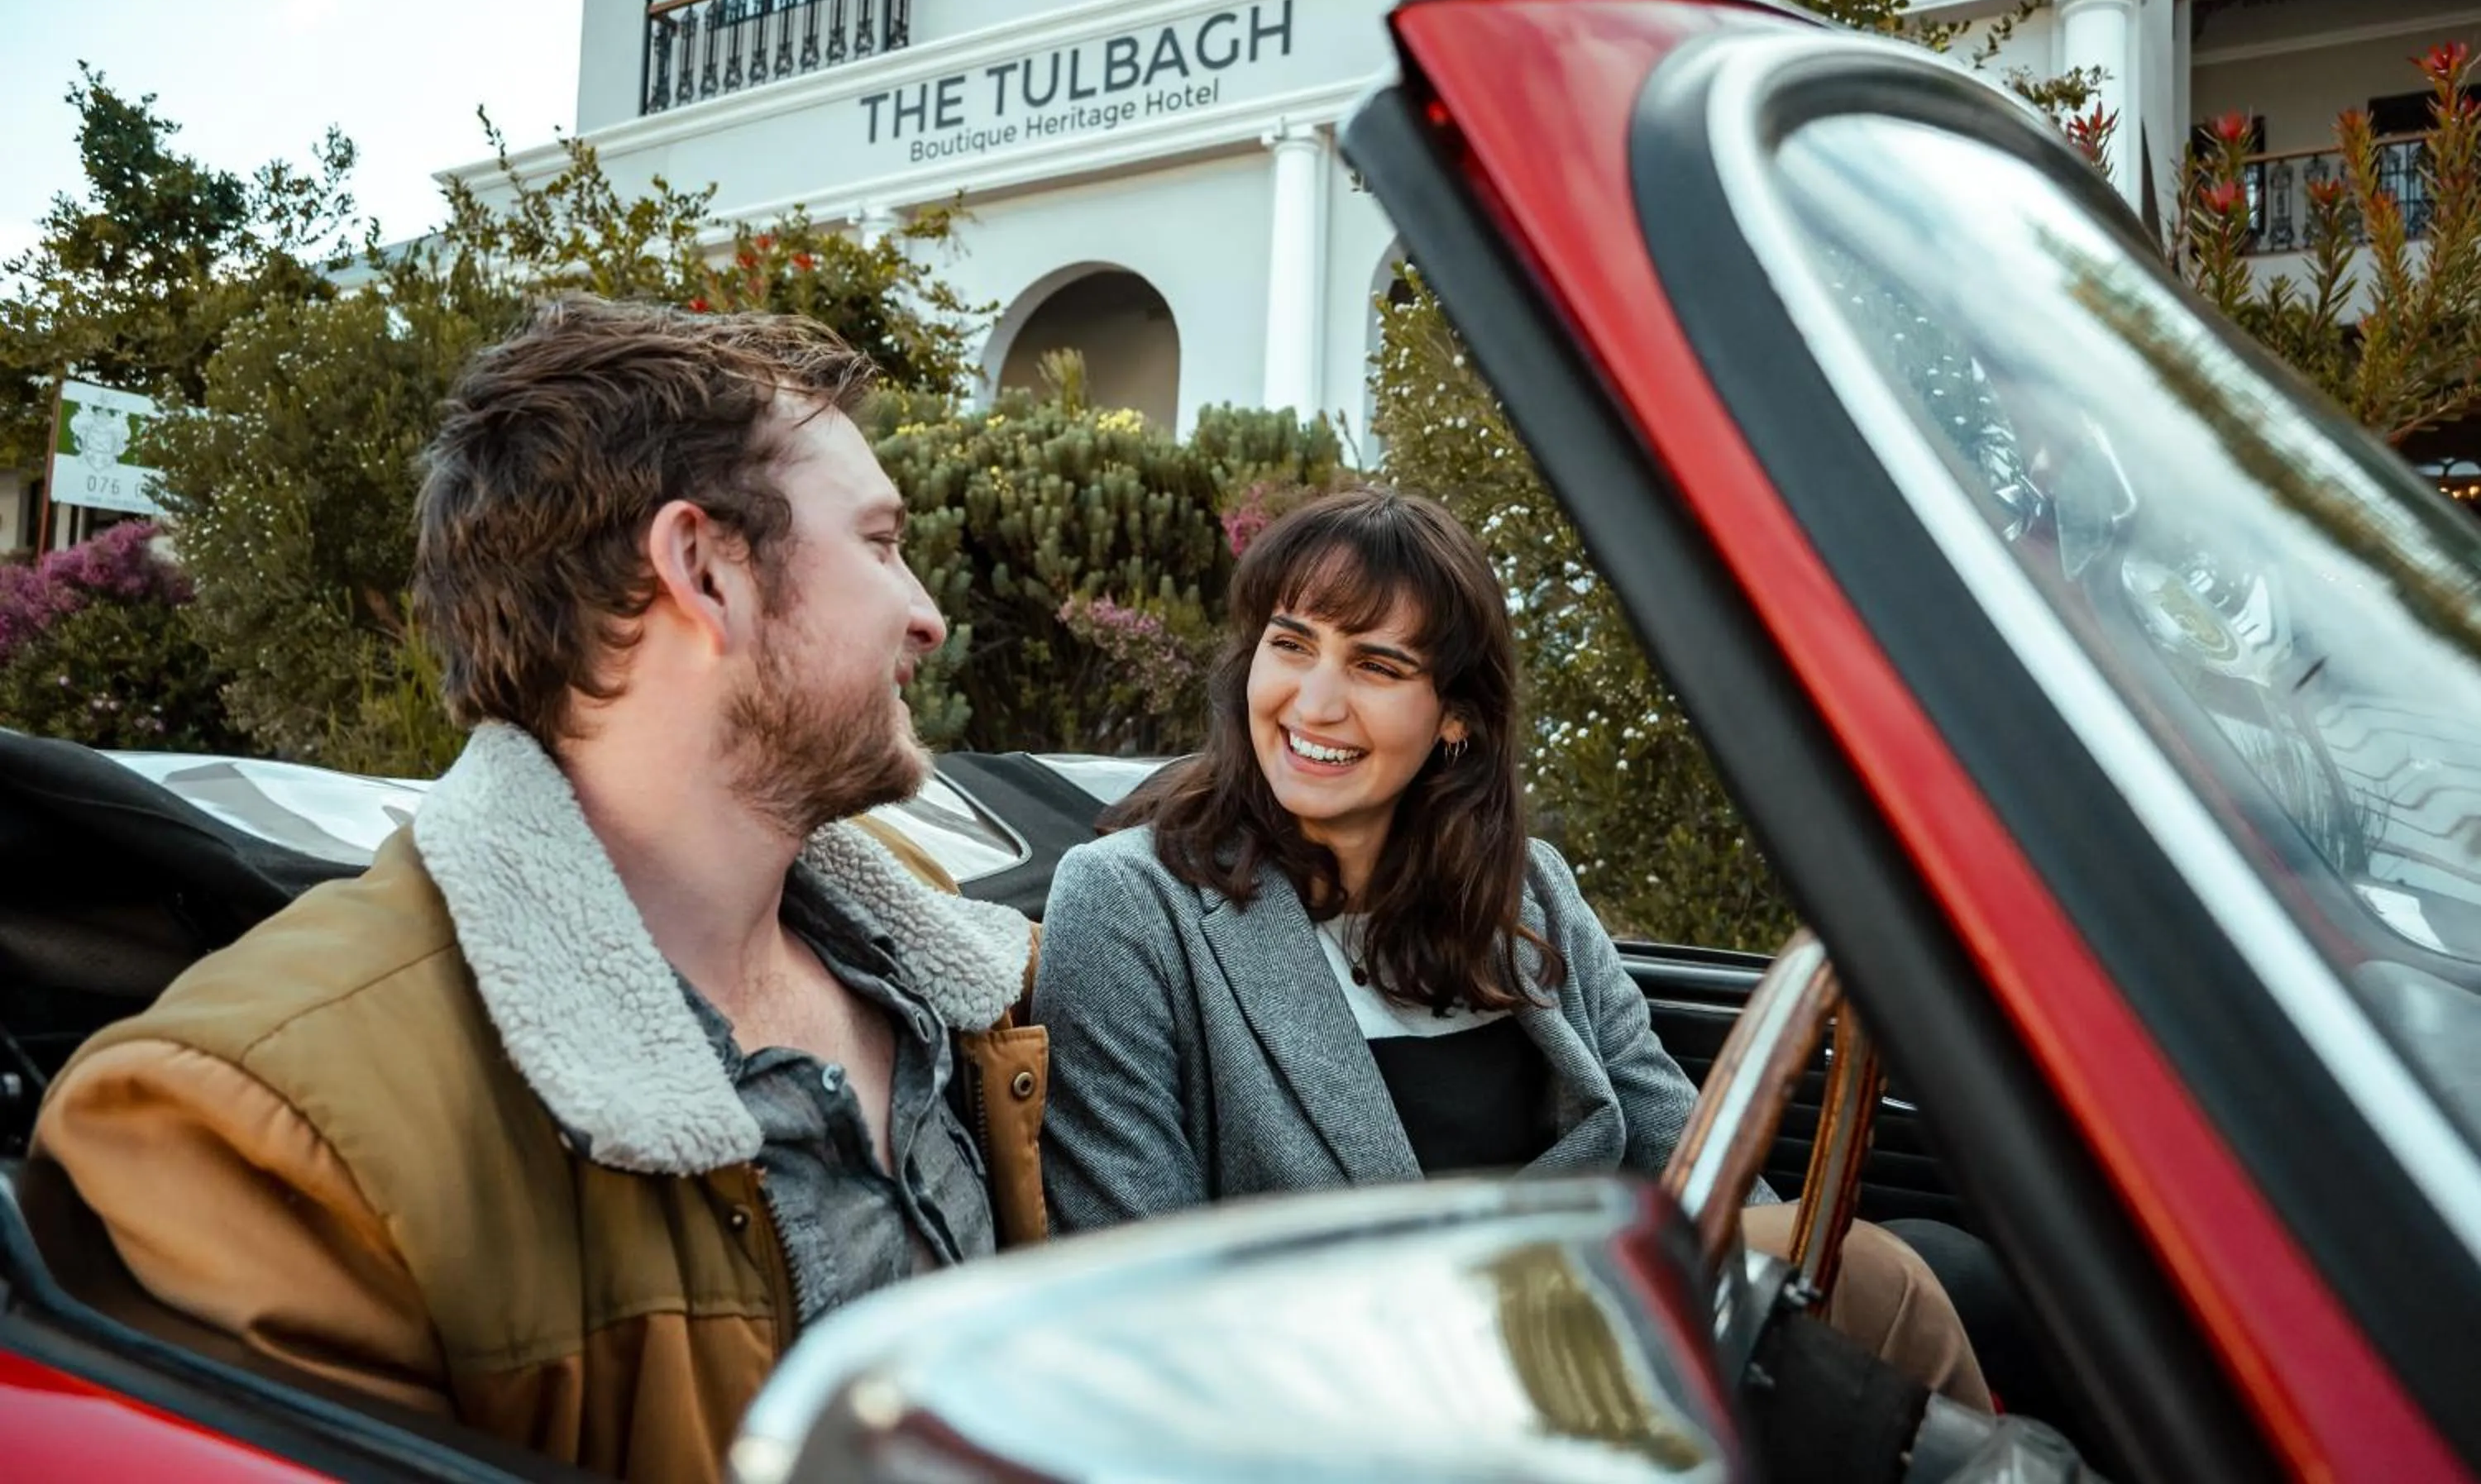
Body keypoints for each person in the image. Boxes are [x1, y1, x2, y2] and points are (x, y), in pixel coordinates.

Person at [31, 298, 1044, 1482]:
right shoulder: (267, 1128)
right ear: (703, 569)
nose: (925, 614)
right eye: (878, 543)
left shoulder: (949, 970)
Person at [1035, 485, 1990, 1409]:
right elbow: (1138, 1288)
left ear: (1455, 717)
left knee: (1939, 1271)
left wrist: (1775, 1310)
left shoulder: (1528, 888)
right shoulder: (1130, 903)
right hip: (1367, 1383)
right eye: (1291, 644)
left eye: (1376, 665)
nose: (1314, 703)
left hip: (1602, 1336)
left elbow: (1687, 1156)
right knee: (1883, 1279)